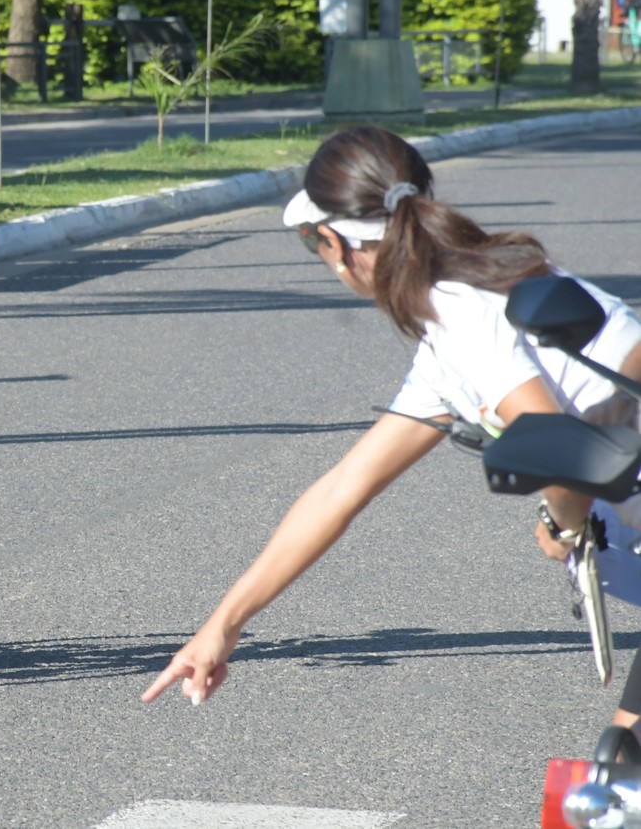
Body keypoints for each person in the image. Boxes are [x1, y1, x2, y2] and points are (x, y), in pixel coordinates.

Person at [141, 125, 641, 735]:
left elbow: (560, 446)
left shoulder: (462, 313)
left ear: (334, 241)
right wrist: (222, 625)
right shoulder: (464, 300)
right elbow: (342, 489)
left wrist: (560, 526)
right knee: (616, 778)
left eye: (312, 244)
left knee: (614, 785)